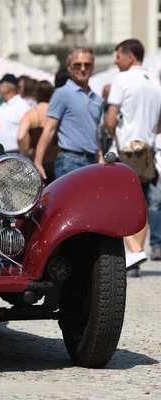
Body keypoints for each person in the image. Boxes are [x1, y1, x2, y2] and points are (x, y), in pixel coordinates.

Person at [104, 38, 161, 276]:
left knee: (114, 203)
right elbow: (159, 123)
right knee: (142, 205)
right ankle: (135, 256)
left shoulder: (122, 79)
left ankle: (134, 250)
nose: (116, 61)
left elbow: (110, 119)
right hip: (148, 151)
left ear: (130, 56)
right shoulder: (154, 82)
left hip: (125, 151)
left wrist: (111, 132)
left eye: (118, 56)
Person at [34, 46, 105, 180]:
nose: (83, 69)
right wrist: (38, 162)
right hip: (70, 161)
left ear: (93, 66)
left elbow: (94, 132)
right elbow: (49, 128)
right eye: (77, 65)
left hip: (92, 162)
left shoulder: (97, 99)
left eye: (87, 65)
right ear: (69, 67)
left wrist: (100, 158)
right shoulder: (62, 93)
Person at [17, 80, 56, 184]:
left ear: (35, 94)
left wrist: (25, 152)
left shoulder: (31, 114)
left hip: (37, 163)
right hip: (56, 161)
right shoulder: (56, 113)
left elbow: (20, 137)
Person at [0, 73, 31, 154]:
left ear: (8, 87)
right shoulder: (1, 106)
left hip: (14, 154)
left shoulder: (22, 105)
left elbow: (27, 133)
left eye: (1, 84)